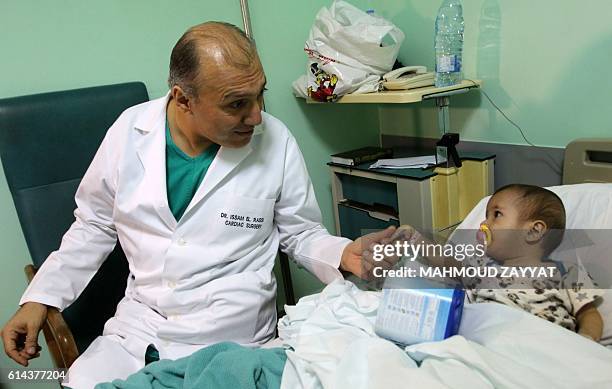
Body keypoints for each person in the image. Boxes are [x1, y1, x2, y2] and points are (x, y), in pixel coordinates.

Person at [1, 21, 395, 388]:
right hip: (138, 334)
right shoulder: (129, 131)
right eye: (236, 104)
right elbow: (94, 225)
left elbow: (301, 233)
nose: (256, 116)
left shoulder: (276, 141)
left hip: (235, 343)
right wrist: (40, 297)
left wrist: (345, 254)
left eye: (260, 94)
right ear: (183, 99)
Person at [396, 184, 603, 341]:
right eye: (486, 215)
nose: (484, 223)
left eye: (496, 215)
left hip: (545, 344)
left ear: (533, 230)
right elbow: (445, 261)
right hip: (488, 342)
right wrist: (415, 239)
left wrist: (585, 341)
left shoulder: (566, 272)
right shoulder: (481, 264)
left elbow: (589, 313)